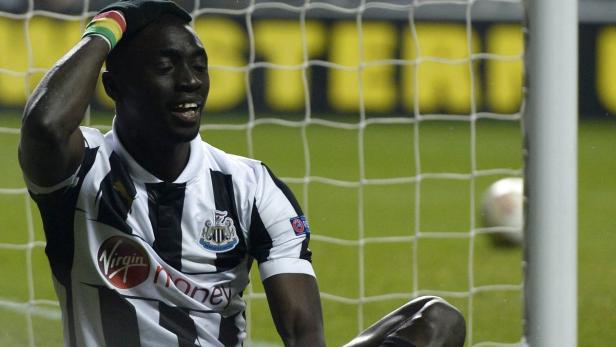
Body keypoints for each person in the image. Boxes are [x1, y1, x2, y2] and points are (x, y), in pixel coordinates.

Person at [19, 1, 465, 346]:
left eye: (198, 64)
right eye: (165, 65)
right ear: (113, 86)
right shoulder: (83, 170)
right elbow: (44, 125)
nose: (190, 80)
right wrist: (111, 23)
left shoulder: (250, 187)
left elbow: (304, 334)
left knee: (436, 320)